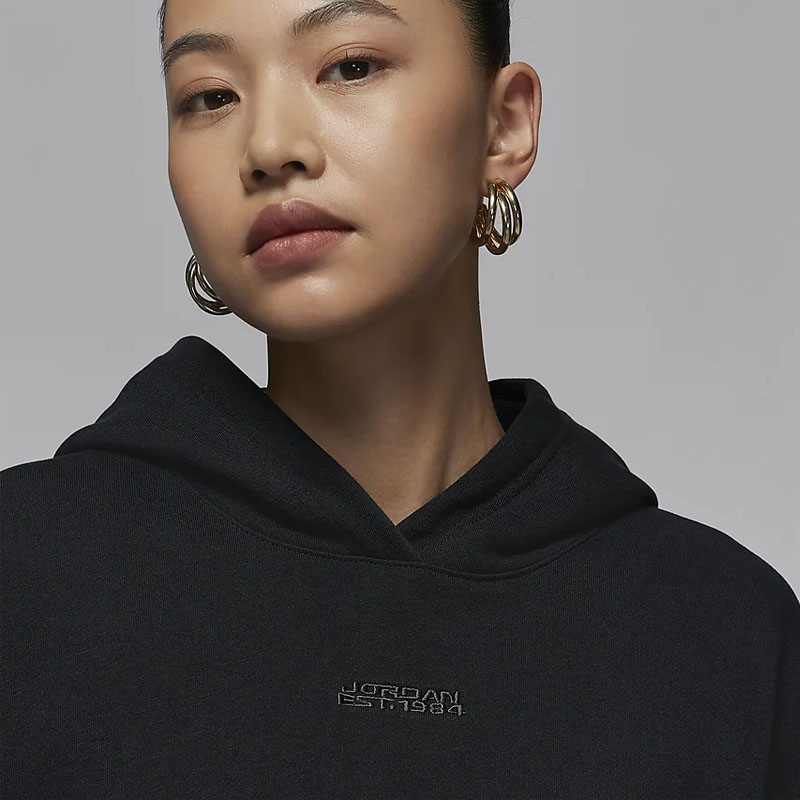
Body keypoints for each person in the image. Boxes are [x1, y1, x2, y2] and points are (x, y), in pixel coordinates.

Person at [2, 0, 798, 797]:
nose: (270, 147)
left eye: (351, 66)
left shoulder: (726, 633)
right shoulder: (29, 576)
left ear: (504, 127)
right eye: (211, 97)